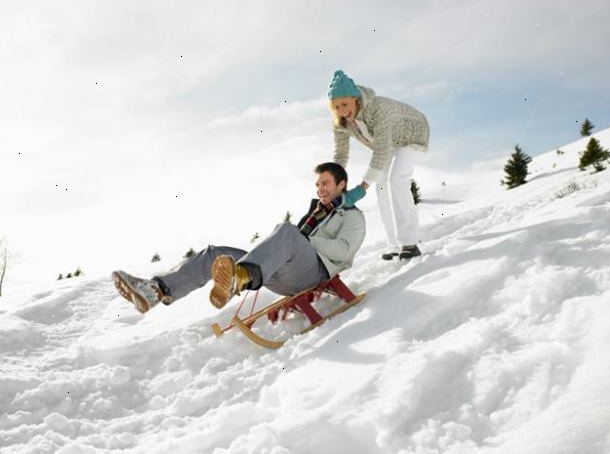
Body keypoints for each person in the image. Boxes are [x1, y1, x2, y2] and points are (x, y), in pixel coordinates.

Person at [112, 162, 366, 313]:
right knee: (216, 254)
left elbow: (344, 252)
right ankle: (156, 290)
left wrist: (304, 239)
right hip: (283, 275)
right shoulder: (315, 213)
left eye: (326, 183)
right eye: (317, 184)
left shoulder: (352, 217)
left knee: (288, 231)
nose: (320, 188)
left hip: (316, 274)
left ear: (342, 184)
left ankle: (241, 276)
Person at [327, 70, 430, 261]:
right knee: (381, 184)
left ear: (356, 99)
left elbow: (381, 152)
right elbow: (341, 155)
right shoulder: (341, 123)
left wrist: (361, 188)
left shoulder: (378, 108)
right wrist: (333, 183)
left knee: (397, 179)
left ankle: (410, 243)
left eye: (345, 104)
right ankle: (393, 244)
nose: (342, 110)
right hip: (390, 142)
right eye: (337, 106)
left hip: (412, 133)